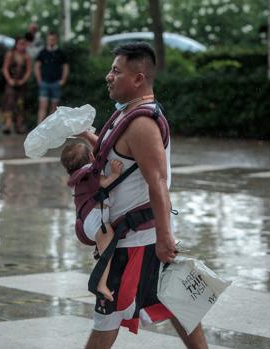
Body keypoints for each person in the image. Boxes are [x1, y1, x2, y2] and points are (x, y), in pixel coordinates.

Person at [77, 42, 208, 349]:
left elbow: (157, 182)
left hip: (136, 240)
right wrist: (86, 134)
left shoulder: (141, 124)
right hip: (139, 237)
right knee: (177, 301)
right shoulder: (127, 115)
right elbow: (117, 158)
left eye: (116, 70)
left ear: (138, 79)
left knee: (108, 314)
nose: (109, 76)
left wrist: (165, 238)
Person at [61, 142, 124, 301]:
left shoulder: (77, 177)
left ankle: (98, 247)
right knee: (107, 251)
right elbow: (103, 183)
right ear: (91, 156)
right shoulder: (90, 172)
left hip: (86, 221)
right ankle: (101, 283)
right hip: (96, 220)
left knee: (104, 245)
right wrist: (115, 174)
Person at [35, 31, 70, 124]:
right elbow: (37, 66)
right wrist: (39, 80)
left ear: (56, 40)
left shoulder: (60, 53)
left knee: (54, 108)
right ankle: (39, 128)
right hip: (44, 82)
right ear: (47, 40)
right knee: (42, 106)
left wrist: (63, 80)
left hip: (56, 83)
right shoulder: (42, 52)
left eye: (53, 39)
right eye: (49, 39)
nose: (51, 41)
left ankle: (51, 129)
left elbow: (65, 67)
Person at [1, 34, 32, 134]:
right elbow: (5, 68)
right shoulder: (11, 54)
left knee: (20, 105)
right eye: (20, 44)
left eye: (24, 44)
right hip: (11, 82)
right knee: (9, 104)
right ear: (16, 44)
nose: (22, 46)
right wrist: (9, 79)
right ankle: (8, 125)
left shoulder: (26, 56)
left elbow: (28, 70)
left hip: (21, 83)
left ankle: (19, 125)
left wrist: (23, 80)